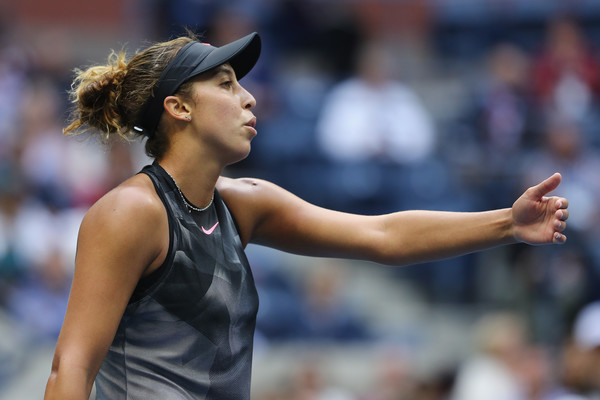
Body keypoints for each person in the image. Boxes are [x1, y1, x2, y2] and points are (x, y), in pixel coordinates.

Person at [43, 31, 569, 400]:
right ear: (178, 108)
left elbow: (381, 234)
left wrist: (508, 223)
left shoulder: (245, 203)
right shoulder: (130, 212)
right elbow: (72, 367)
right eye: (225, 84)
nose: (248, 97)